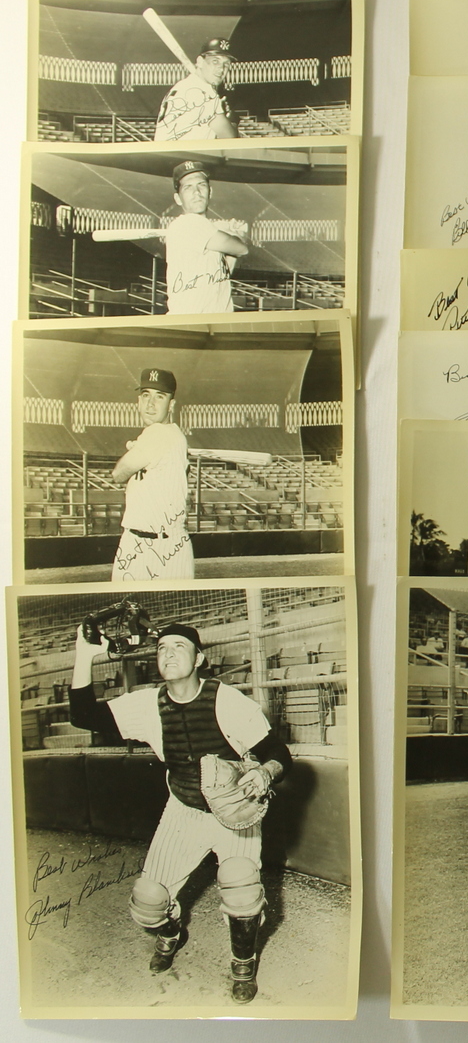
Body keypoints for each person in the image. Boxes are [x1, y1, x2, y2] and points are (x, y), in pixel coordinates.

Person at [67, 621, 292, 1003]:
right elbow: (83, 716)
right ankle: (172, 932)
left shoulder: (226, 700)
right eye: (162, 648)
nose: (168, 653)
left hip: (233, 811)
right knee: (148, 901)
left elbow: (279, 753)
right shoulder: (148, 705)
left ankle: (243, 962)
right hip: (183, 809)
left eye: (179, 647)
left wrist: (265, 771)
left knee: (240, 887)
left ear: (199, 658)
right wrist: (84, 654)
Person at [112, 367, 194, 581]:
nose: (150, 404)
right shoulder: (172, 435)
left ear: (171, 405)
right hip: (157, 542)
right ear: (138, 401)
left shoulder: (157, 434)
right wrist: (138, 449)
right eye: (146, 395)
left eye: (160, 397)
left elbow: (118, 474)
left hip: (157, 546)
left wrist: (135, 450)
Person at [164, 160, 249, 316]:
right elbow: (241, 248)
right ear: (177, 198)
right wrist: (237, 233)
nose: (196, 193)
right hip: (190, 322)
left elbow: (222, 273)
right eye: (188, 187)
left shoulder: (209, 231)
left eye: (201, 185)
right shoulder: (187, 223)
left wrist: (234, 236)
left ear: (210, 192)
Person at [154, 37, 238, 142]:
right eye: (215, 61)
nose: (221, 69)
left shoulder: (182, 85)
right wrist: (233, 121)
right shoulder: (204, 91)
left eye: (226, 64)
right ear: (199, 62)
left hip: (169, 154)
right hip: (187, 157)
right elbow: (231, 139)